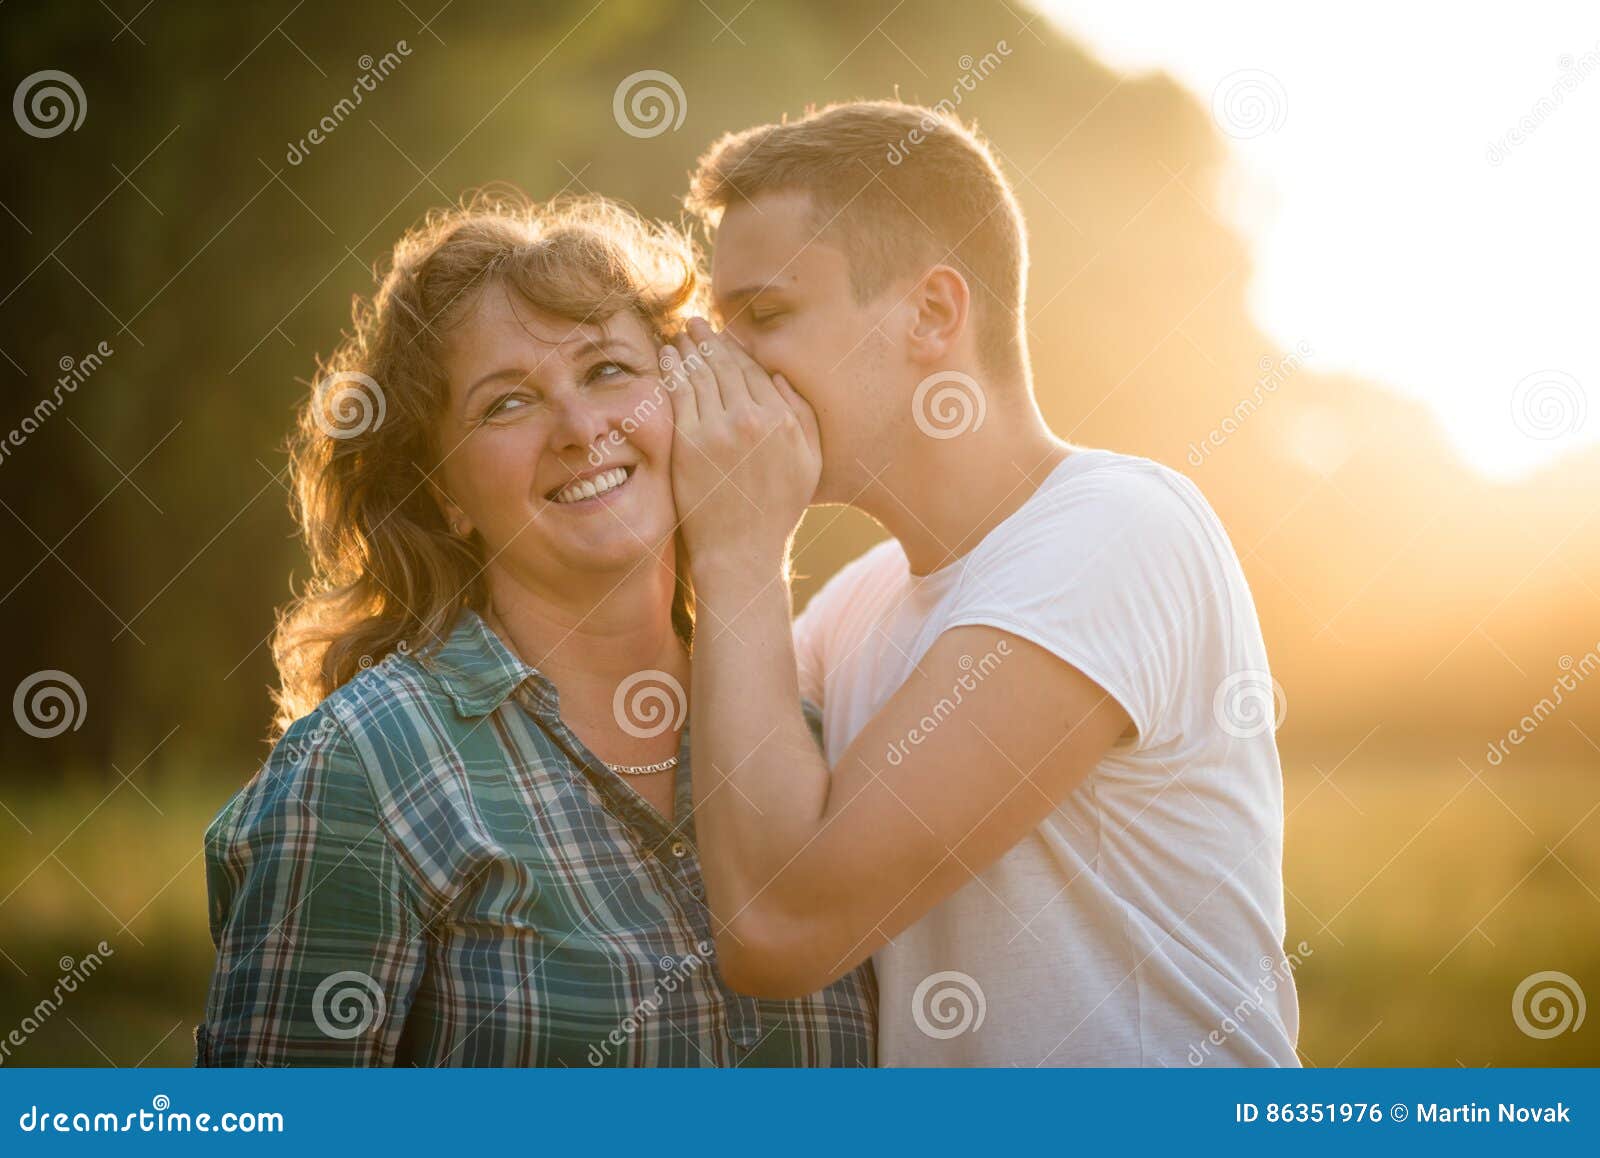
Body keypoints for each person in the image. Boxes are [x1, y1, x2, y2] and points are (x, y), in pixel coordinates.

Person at [660, 100, 1299, 1066]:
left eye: (767, 316)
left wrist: (741, 554)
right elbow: (723, 798)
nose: (725, 367)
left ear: (932, 313)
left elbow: (779, 927)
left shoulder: (1118, 533)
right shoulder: (856, 605)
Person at [197, 193, 875, 1067]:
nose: (582, 430)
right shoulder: (368, 765)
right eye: (507, 405)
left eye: (608, 373)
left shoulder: (817, 735)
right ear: (444, 492)